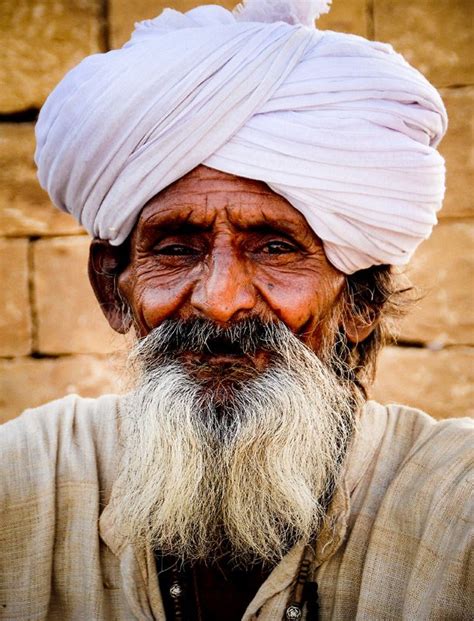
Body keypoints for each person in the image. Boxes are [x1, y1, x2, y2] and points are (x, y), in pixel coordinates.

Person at [1, 1, 472, 619]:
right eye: (176, 249)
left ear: (361, 302)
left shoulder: (453, 507)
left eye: (276, 248)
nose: (220, 302)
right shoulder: (29, 480)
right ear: (113, 289)